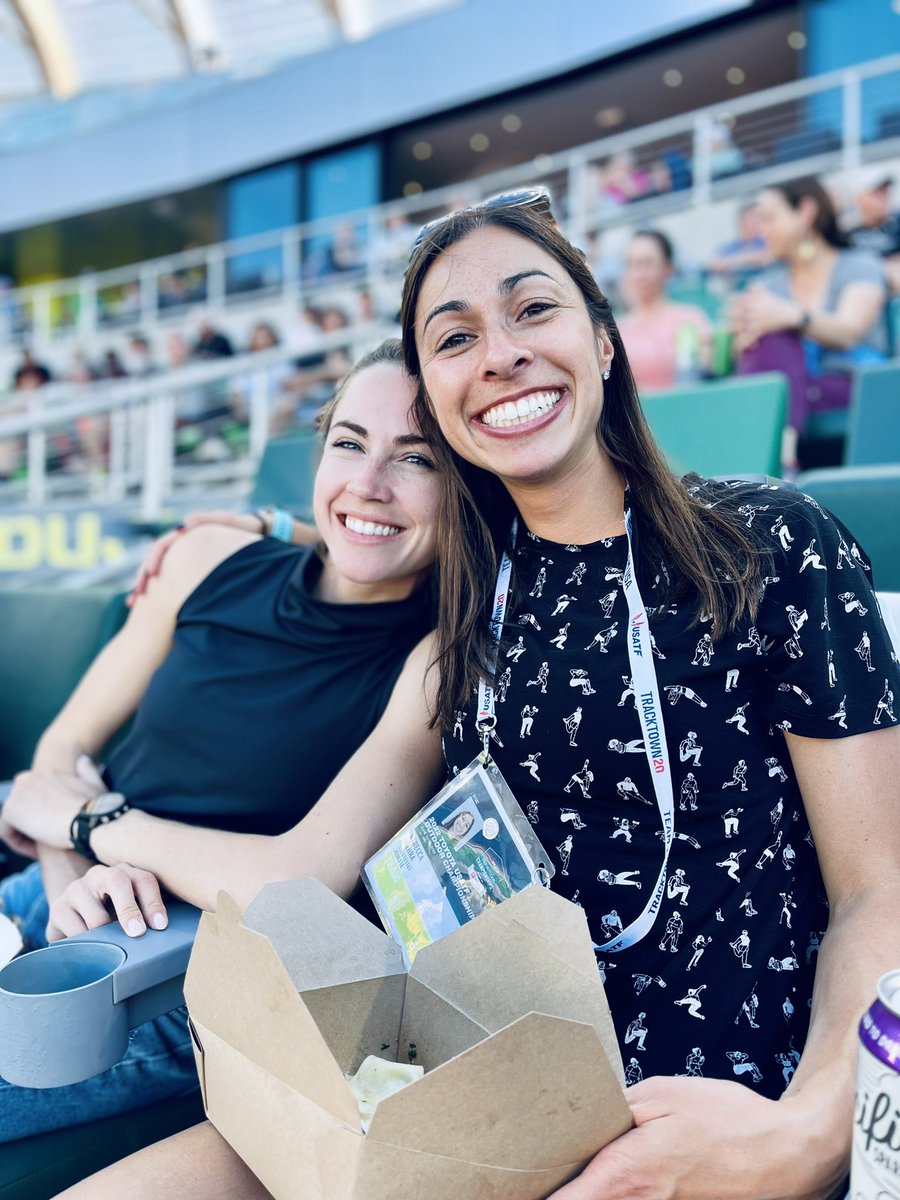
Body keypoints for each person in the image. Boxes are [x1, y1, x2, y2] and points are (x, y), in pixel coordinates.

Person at [42, 192, 900, 1200]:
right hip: (449, 1099)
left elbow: (878, 888)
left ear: (606, 340)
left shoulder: (770, 542)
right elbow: (361, 528)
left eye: (533, 309)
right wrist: (254, 528)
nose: (499, 355)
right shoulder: (459, 614)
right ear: (439, 399)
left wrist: (810, 1132)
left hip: (710, 1112)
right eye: (455, 338)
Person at [0, 340, 438, 1142]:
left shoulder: (438, 659)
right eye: (349, 443)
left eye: (418, 459)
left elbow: (299, 881)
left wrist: (92, 822)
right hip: (65, 891)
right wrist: (71, 880)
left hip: (182, 972)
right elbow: (60, 750)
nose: (369, 483)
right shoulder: (207, 555)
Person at [732, 177, 888, 470]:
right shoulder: (769, 284)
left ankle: (772, 463)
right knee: (768, 343)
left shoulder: (859, 265)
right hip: (800, 392)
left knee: (775, 340)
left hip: (855, 386)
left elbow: (849, 331)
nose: (762, 231)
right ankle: (783, 458)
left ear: (805, 211)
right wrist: (744, 338)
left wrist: (794, 316)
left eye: (769, 218)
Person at [616, 230, 712, 391]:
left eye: (647, 263)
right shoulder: (617, 330)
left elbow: (703, 370)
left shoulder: (690, 318)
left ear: (668, 267)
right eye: (632, 264)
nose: (639, 273)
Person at [845, 171, 900, 295]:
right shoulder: (846, 232)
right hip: (865, 290)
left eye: (885, 192)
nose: (884, 198)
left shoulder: (897, 222)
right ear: (859, 198)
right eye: (876, 193)